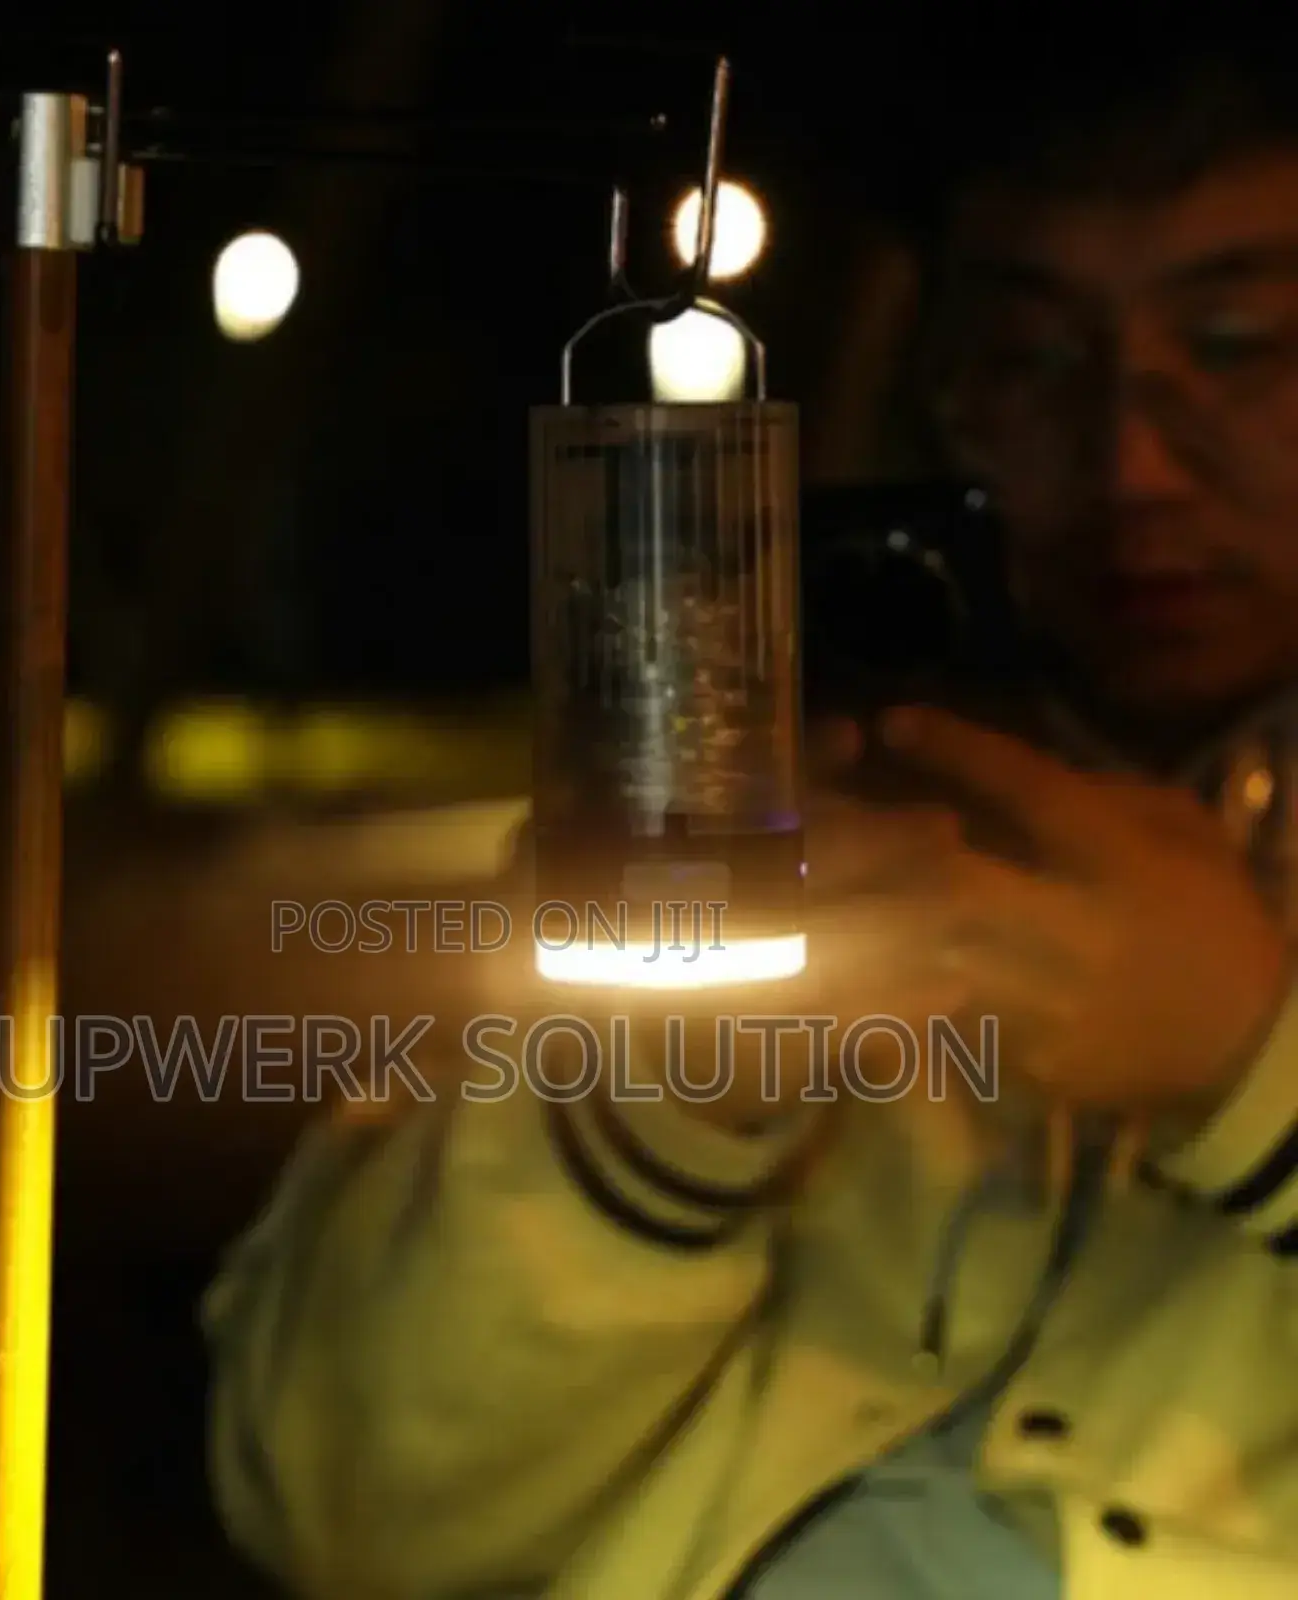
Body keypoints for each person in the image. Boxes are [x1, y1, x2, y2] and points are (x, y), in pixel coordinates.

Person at [201, 36, 1298, 1600]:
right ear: (929, 385)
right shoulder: (740, 792)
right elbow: (338, 1509)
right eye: (1032, 360)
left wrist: (1258, 1078)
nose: (1130, 460)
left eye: (1244, 340)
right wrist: (656, 1121)